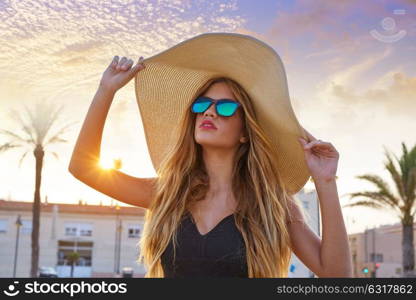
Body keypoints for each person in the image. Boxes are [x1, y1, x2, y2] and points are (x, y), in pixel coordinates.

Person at [68, 33, 352, 278]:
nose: (209, 111)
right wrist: (106, 91)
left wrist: (326, 182)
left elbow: (336, 275)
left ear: (245, 131)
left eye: (226, 107)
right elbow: (82, 167)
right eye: (203, 104)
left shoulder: (272, 203)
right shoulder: (168, 193)